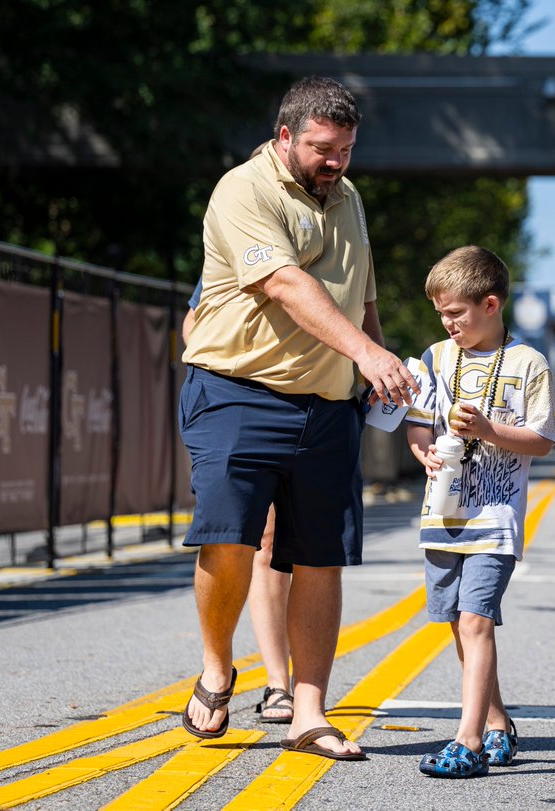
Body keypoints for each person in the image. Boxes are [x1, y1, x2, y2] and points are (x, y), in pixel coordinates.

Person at [179, 76, 418, 760]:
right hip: (237, 390)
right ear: (286, 136)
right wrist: (366, 350)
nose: (335, 161)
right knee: (228, 538)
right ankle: (218, 669)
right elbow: (285, 283)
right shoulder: (242, 189)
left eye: (345, 148)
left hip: (328, 403)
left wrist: (378, 364)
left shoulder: (349, 198)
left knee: (321, 555)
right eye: (321, 148)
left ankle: (308, 711)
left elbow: (358, 289)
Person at [404, 245, 555, 778]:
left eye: (456, 313)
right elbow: (418, 422)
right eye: (440, 313)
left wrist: (488, 430)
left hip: (495, 515)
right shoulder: (434, 358)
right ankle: (496, 723)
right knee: (455, 622)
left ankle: (467, 740)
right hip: (441, 514)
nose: (446, 324)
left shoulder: (527, 363)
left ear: (490, 304)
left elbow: (542, 439)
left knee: (476, 620)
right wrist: (421, 448)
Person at [183, 279, 293, 724]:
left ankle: (304, 693)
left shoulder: (340, 236)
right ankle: (275, 683)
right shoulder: (240, 233)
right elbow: (194, 322)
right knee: (260, 541)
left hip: (318, 400)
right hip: (244, 402)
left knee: (307, 547)